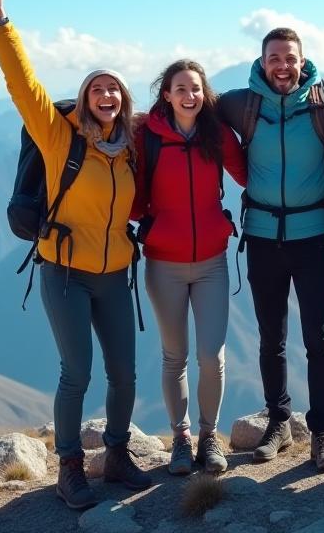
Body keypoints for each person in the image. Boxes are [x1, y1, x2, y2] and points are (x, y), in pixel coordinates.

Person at [0, 0, 152, 509]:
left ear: (123, 101)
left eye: (114, 89)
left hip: (115, 274)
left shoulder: (131, 147)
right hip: (65, 273)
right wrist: (0, 22)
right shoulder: (59, 139)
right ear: (84, 99)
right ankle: (70, 467)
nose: (106, 94)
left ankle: (117, 455)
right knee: (76, 373)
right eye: (97, 88)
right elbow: (23, 86)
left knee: (125, 373)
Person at [217, 28, 324, 471]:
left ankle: (322, 430)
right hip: (262, 238)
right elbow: (192, 100)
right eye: (274, 58)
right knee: (271, 337)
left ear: (302, 61)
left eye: (290, 58)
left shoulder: (323, 98)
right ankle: (278, 422)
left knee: (320, 338)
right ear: (261, 61)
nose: (282, 66)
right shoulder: (242, 103)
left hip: (313, 236)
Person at [133, 59, 247, 475]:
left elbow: (249, 174)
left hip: (212, 262)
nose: (189, 96)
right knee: (174, 356)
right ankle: (181, 439)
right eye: (180, 89)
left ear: (205, 93)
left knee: (211, 356)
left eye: (196, 88)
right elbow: (130, 197)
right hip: (164, 263)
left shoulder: (217, 134)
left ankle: (209, 436)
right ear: (166, 94)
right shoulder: (148, 136)